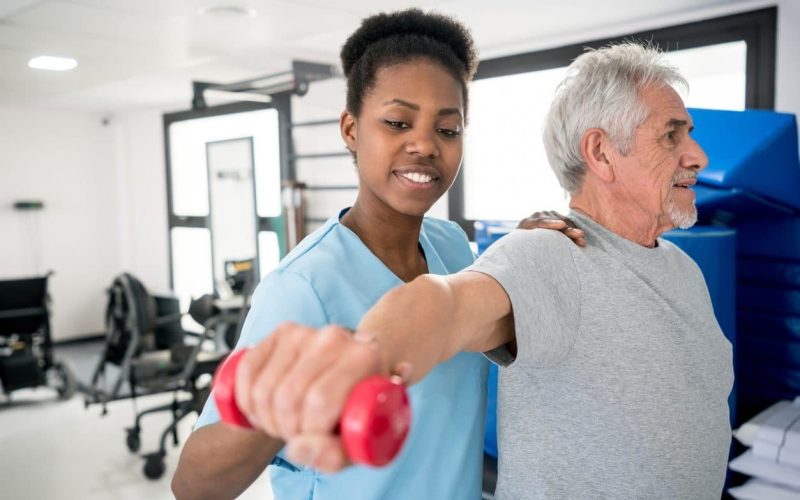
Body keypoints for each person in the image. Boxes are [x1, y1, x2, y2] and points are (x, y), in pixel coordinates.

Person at [234, 42, 735, 499]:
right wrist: (362, 359)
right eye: (672, 136)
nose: (699, 155)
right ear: (601, 151)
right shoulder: (551, 255)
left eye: (448, 130)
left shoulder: (681, 266)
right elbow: (443, 305)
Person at [171, 9, 584, 500]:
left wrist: (524, 249)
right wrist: (286, 402)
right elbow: (193, 486)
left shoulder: (450, 244)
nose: (425, 144)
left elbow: (472, 316)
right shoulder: (303, 287)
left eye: (448, 130)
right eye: (397, 121)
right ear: (350, 129)